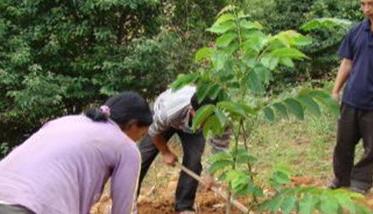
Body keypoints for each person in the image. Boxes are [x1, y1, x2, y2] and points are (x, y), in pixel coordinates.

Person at [0, 91, 153, 214]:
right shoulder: (125, 146)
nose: (138, 140)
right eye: (142, 134)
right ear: (133, 125)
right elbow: (123, 209)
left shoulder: (65, 121)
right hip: (33, 207)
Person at [137, 85, 228, 214]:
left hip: (191, 128)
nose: (207, 123)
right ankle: (125, 204)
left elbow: (220, 147)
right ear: (192, 110)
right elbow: (153, 131)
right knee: (140, 159)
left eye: (210, 119)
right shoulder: (169, 110)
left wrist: (210, 174)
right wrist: (165, 152)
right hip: (166, 122)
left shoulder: (222, 118)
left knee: (194, 161)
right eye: (203, 118)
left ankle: (184, 206)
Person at [329, 0, 373, 194]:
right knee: (343, 143)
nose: (366, 9)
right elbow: (347, 63)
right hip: (352, 98)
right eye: (362, 4)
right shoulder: (356, 31)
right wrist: (336, 90)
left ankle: (361, 182)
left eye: (370, 4)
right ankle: (341, 177)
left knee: (372, 148)